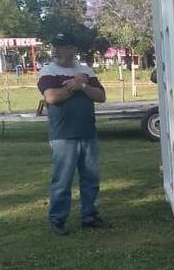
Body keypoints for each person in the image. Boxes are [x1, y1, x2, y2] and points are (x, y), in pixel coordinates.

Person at [37, 32, 107, 235]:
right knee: (62, 180)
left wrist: (83, 85)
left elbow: (101, 96)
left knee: (91, 178)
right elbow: (51, 97)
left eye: (62, 46)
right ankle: (58, 219)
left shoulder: (85, 71)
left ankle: (90, 216)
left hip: (88, 132)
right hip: (63, 135)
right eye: (54, 46)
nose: (56, 50)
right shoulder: (48, 71)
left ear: (73, 49)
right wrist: (73, 87)